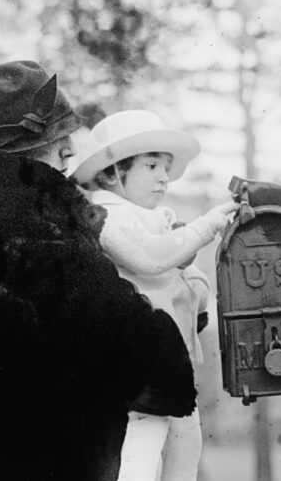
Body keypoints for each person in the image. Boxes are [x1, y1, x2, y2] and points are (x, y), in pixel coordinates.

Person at [0, 61, 198, 481]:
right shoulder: (30, 220)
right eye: (54, 139)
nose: (68, 151)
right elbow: (121, 334)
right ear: (18, 152)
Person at [71, 110, 238, 481]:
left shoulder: (158, 219)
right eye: (151, 165)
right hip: (133, 371)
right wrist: (206, 226)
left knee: (184, 455)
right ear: (113, 172)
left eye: (166, 166)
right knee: (137, 460)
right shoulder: (106, 216)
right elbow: (150, 258)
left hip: (171, 365)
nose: (164, 176)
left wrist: (196, 285)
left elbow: (188, 274)